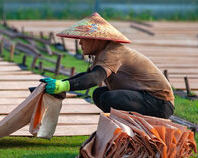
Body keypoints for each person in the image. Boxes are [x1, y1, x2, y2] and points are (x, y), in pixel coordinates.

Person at [40, 12, 174, 119]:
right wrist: (60, 83)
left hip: (159, 103)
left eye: (83, 38)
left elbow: (95, 78)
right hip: (145, 98)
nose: (80, 43)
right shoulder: (104, 53)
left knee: (107, 98)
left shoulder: (113, 52)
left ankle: (133, 128)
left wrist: (63, 86)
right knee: (99, 93)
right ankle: (125, 127)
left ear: (97, 39)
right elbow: (87, 75)